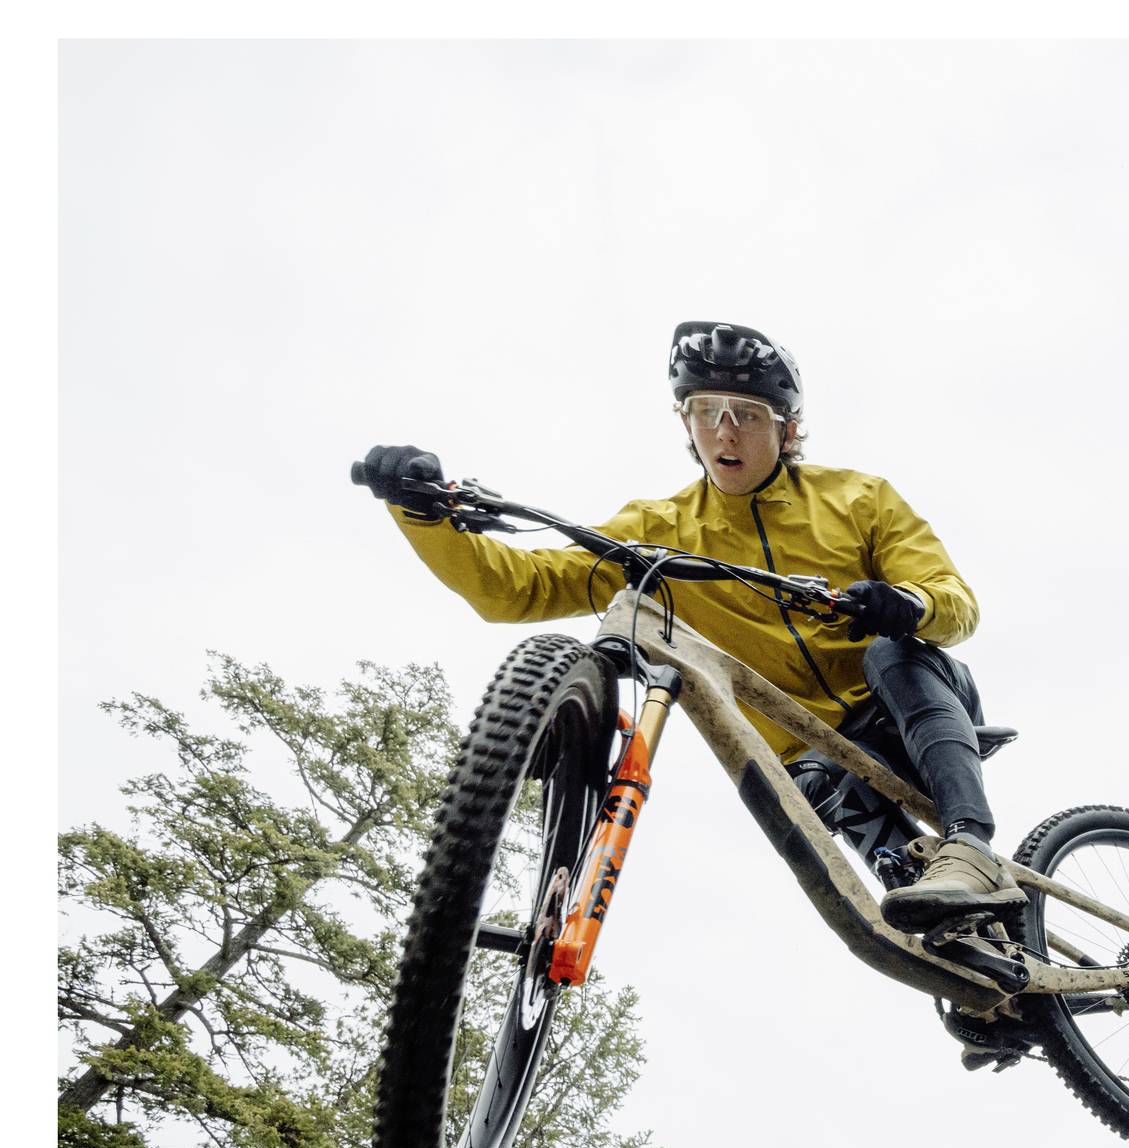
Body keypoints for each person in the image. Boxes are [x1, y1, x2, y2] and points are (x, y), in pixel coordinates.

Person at [354, 321, 1020, 934]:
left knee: (892, 656)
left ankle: (971, 844)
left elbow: (954, 599)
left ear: (787, 430)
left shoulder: (859, 498)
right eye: (707, 411)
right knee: (846, 830)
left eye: (748, 416)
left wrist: (906, 604)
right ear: (687, 421)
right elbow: (517, 587)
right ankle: (974, 963)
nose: (725, 432)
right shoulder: (659, 532)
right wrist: (424, 513)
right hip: (811, 754)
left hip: (910, 714)